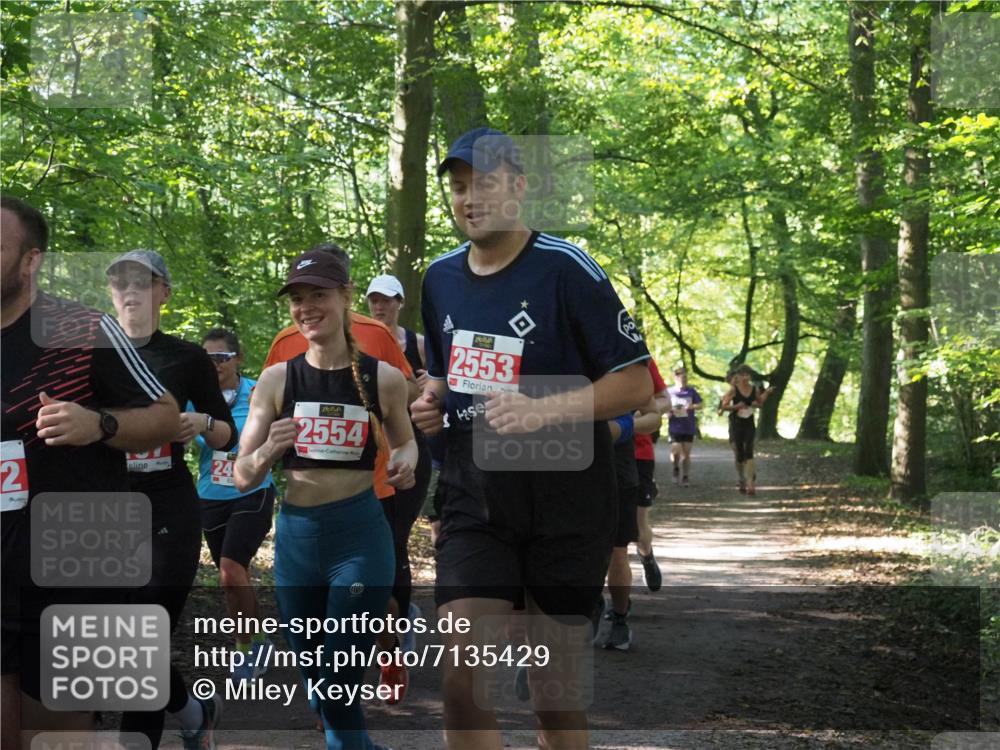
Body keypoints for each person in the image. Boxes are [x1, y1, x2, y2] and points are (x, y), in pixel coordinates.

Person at [411, 127, 653, 750]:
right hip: (475, 501)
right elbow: (444, 374)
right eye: (459, 187)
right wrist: (432, 401)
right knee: (462, 679)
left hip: (568, 501)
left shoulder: (566, 268)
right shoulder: (439, 278)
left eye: (484, 184)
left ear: (518, 186)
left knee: (554, 696)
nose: (469, 198)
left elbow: (634, 385)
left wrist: (544, 410)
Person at [1, 197, 179, 749]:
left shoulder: (83, 329)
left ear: (30, 261)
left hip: (78, 564)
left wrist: (98, 424)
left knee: (58, 738)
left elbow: (165, 415)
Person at [234, 248, 417, 750]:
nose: (306, 307)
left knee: (337, 680)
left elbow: (405, 441)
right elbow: (242, 475)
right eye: (297, 298)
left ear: (345, 296)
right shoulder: (277, 379)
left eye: (318, 294)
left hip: (359, 538)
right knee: (319, 684)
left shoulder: (383, 377)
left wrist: (406, 462)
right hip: (297, 541)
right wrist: (269, 448)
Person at [104, 250, 237, 750]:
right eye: (120, 283)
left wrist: (203, 422)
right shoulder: (88, 355)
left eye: (142, 282)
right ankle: (194, 711)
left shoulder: (186, 357)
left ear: (164, 293)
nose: (130, 291)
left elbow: (228, 435)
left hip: (167, 508)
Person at [193, 328, 276, 682]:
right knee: (233, 578)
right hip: (211, 496)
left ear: (238, 359)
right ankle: (259, 640)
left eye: (221, 357)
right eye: (207, 358)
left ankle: (243, 648)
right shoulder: (195, 397)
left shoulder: (258, 392)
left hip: (253, 492)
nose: (214, 364)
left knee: (230, 570)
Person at [365, 275, 433, 662]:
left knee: (395, 540)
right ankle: (382, 619)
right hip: (370, 453)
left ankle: (400, 624)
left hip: (410, 450)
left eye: (387, 300)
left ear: (400, 303)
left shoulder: (418, 344)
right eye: (374, 299)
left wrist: (428, 386)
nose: (380, 306)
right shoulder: (360, 341)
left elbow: (442, 387)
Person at [599, 400, 662, 652]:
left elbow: (654, 416)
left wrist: (622, 426)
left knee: (617, 550)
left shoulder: (627, 375)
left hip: (618, 471)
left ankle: (620, 618)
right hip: (565, 467)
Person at [633, 359, 669, 591]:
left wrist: (639, 412)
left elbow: (665, 400)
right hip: (595, 449)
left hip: (639, 452)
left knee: (638, 522)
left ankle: (646, 555)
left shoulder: (638, 356)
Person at [719, 364, 775, 495]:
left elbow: (760, 403)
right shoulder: (734, 390)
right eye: (742, 375)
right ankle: (741, 478)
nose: (745, 377)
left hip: (749, 423)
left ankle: (750, 483)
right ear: (738, 376)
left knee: (749, 451)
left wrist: (765, 394)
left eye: (747, 375)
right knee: (739, 454)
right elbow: (723, 406)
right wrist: (736, 407)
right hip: (736, 423)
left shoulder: (754, 389)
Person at [666, 365, 703, 486]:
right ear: (676, 378)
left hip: (688, 426)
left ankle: (685, 476)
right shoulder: (670, 392)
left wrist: (691, 406)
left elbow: (700, 404)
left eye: (685, 378)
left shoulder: (691, 391)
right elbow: (664, 407)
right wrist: (668, 413)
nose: (684, 380)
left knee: (686, 454)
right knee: (676, 451)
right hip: (674, 426)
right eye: (682, 378)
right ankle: (675, 468)